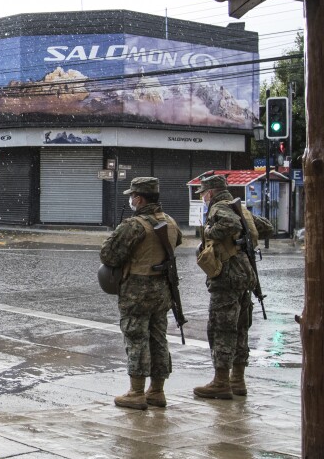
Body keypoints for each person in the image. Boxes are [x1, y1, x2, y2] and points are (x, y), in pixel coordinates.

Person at [100, 177, 182, 410]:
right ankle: (157, 391)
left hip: (137, 291)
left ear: (139, 198)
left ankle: (136, 392)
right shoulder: (171, 222)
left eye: (132, 196)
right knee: (158, 339)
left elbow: (109, 255)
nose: (131, 200)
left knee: (136, 337)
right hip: (162, 291)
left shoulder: (134, 225)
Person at [193, 174, 273, 400]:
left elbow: (229, 224)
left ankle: (221, 382)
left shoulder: (219, 208)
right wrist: (242, 240)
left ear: (210, 192)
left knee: (221, 327)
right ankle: (237, 380)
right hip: (245, 274)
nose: (203, 199)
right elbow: (266, 227)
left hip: (227, 275)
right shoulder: (239, 207)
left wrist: (209, 232)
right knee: (240, 327)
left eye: (203, 194)